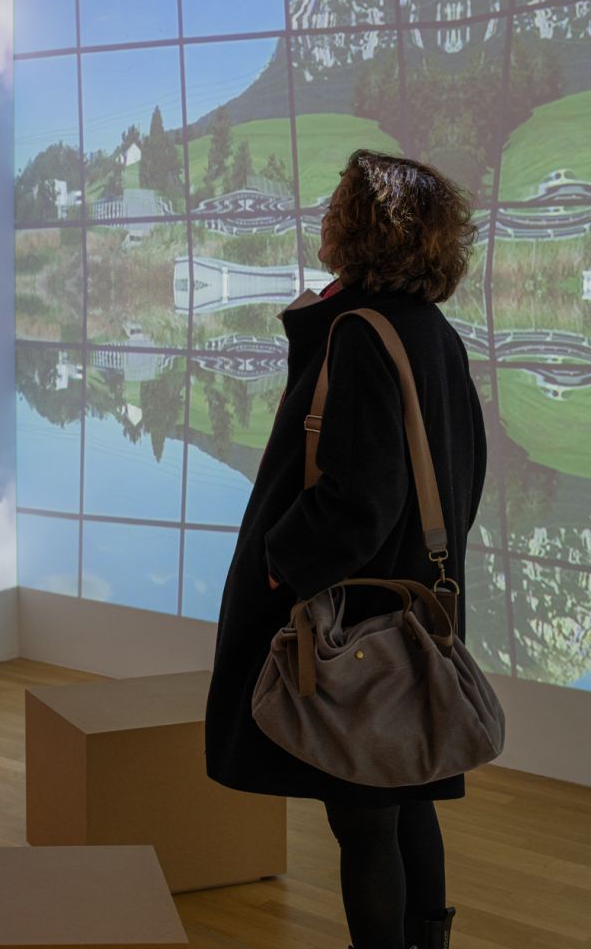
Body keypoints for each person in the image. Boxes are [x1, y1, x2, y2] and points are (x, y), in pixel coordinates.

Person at [204, 150, 487, 949]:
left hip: (353, 621)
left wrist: (280, 562)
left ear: (364, 227)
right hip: (410, 611)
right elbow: (459, 475)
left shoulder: (360, 333)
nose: (325, 212)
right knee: (408, 799)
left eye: (338, 202)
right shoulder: (431, 332)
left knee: (363, 825)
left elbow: (359, 499)